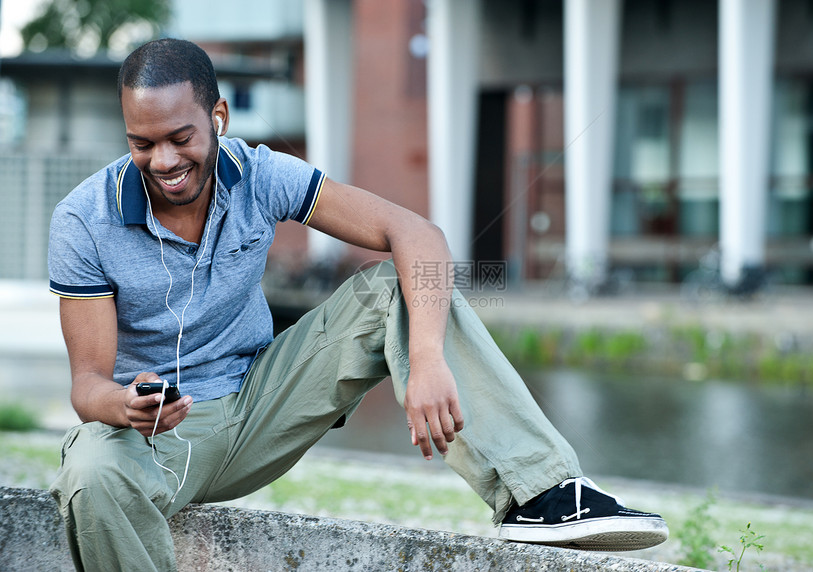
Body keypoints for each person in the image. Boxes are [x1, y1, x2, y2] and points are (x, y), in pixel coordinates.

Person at [47, 38, 668, 571]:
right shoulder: (84, 219)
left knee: (396, 283)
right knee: (91, 473)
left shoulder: (260, 174)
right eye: (141, 144)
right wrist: (126, 406)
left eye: (180, 137)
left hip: (261, 405)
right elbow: (87, 387)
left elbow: (418, 235)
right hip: (155, 438)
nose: (163, 162)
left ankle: (543, 493)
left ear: (219, 117)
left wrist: (425, 359)